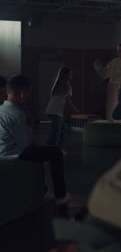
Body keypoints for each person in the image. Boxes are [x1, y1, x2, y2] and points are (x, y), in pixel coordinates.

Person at [0, 75, 69, 203]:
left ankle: (39, 188)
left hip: (3, 150)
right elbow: (24, 145)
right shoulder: (17, 114)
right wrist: (31, 133)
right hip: (12, 154)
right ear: (22, 94)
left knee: (40, 150)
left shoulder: (1, 110)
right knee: (56, 152)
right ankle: (61, 195)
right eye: (27, 95)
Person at [46, 67, 79, 146]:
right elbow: (68, 100)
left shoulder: (57, 84)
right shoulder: (67, 86)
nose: (72, 76)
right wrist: (75, 109)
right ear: (66, 75)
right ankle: (52, 147)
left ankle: (57, 147)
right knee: (56, 130)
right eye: (70, 74)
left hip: (52, 110)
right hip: (55, 111)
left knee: (61, 129)